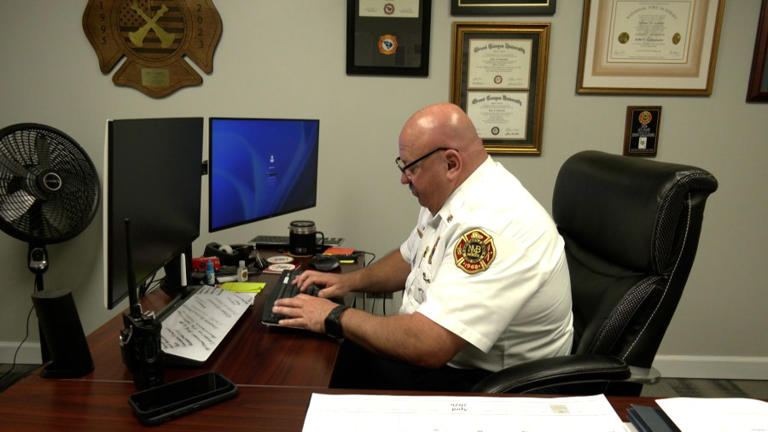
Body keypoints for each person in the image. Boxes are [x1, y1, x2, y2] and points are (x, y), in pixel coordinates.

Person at [272, 102, 573, 391]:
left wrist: (332, 316)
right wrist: (347, 283)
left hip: (486, 384)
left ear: (451, 163)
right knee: (326, 353)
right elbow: (410, 258)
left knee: (318, 370)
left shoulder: (494, 225)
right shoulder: (451, 193)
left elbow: (429, 345)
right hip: (443, 357)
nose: (404, 179)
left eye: (411, 168)